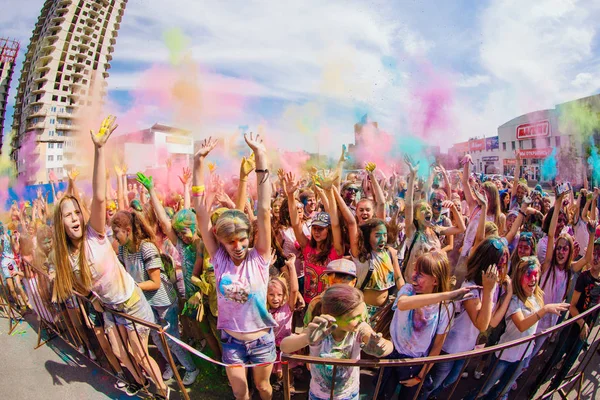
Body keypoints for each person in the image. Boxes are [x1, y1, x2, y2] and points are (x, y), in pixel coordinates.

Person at [50, 116, 169, 398]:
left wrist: (99, 149)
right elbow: (77, 285)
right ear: (61, 224)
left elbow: (101, 198)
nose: (75, 218)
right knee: (119, 352)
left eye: (76, 212)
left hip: (131, 302)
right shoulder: (66, 257)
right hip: (112, 308)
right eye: (68, 216)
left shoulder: (95, 234)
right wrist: (94, 299)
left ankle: (163, 392)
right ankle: (142, 385)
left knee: (139, 354)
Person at [194, 133, 277, 400]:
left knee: (264, 388)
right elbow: (199, 209)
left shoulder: (259, 256)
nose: (238, 246)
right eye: (230, 242)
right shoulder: (218, 258)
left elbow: (264, 210)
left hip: (263, 340)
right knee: (240, 394)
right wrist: (198, 163)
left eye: (242, 239)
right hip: (231, 343)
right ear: (220, 242)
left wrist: (261, 156)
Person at [111, 210, 200, 386]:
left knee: (170, 338)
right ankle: (172, 365)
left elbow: (155, 283)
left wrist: (131, 288)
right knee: (156, 337)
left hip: (164, 301)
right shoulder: (122, 249)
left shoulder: (146, 247)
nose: (114, 237)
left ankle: (191, 369)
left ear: (128, 230)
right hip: (145, 301)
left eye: (116, 233)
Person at [420, 237, 513, 399]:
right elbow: (482, 324)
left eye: (504, 265)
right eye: (499, 264)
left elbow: (492, 319)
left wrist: (507, 292)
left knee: (450, 380)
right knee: (433, 383)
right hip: (449, 348)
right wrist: (490, 291)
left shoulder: (493, 286)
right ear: (487, 264)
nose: (502, 269)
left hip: (466, 348)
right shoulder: (471, 289)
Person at [377, 251, 475, 400]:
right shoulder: (408, 290)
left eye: (420, 274)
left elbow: (437, 346)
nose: (413, 276)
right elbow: (403, 305)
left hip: (415, 364)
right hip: (392, 355)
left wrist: (420, 376)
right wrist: (448, 295)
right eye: (415, 270)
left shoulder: (444, 308)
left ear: (435, 280)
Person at [470, 257, 569, 400]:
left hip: (522, 356)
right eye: (529, 274)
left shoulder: (538, 296)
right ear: (519, 277)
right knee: (484, 389)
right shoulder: (515, 301)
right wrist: (545, 309)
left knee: (503, 391)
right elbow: (522, 325)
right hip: (505, 356)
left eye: (536, 274)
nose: (533, 279)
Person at [280, 285, 393, 400]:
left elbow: (387, 346)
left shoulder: (359, 329)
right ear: (334, 317)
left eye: (363, 314)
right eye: (356, 316)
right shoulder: (319, 332)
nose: (362, 319)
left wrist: (381, 348)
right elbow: (285, 346)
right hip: (319, 396)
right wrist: (306, 339)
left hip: (349, 395)